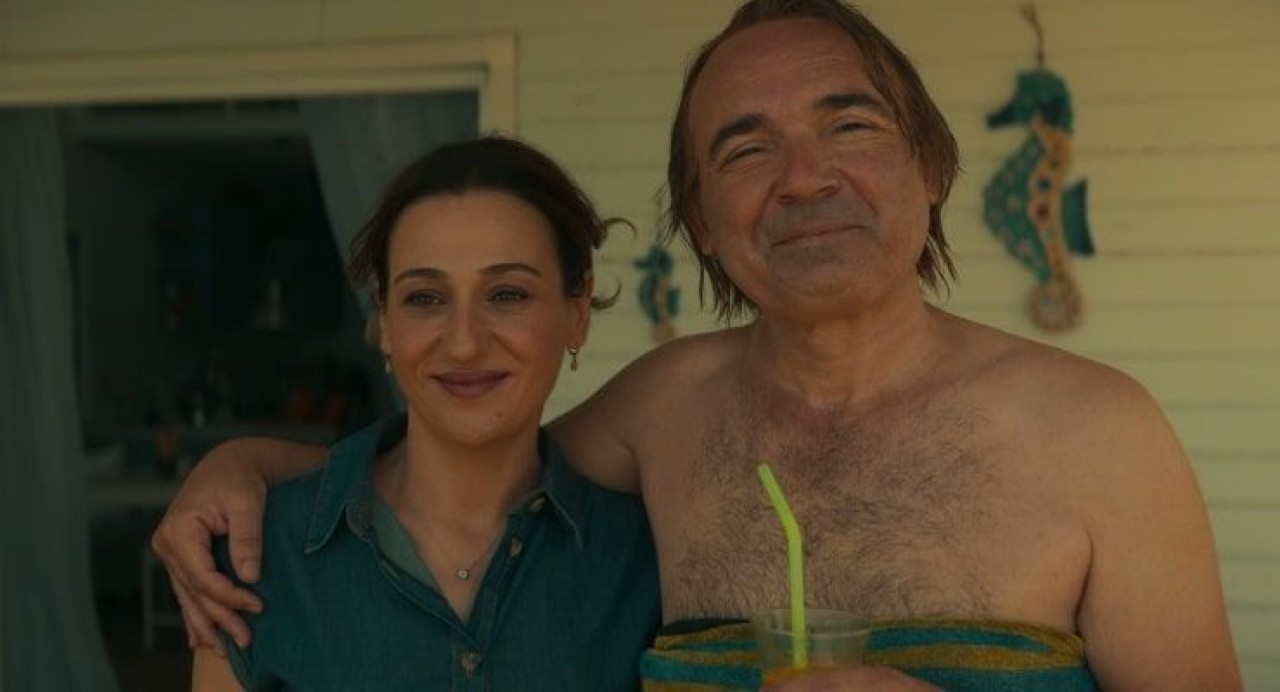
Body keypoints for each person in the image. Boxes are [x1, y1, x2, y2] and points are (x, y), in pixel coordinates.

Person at [157, 1, 1243, 690]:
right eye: (744, 149)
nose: (804, 177)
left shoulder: (1101, 432)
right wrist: (243, 464)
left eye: (849, 125)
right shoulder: (663, 410)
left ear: (931, 165)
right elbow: (465, 457)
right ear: (700, 219)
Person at [189, 136, 661, 690]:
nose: (463, 344)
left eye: (507, 295)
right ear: (384, 322)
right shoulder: (260, 553)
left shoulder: (644, 557)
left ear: (577, 312)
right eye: (425, 298)